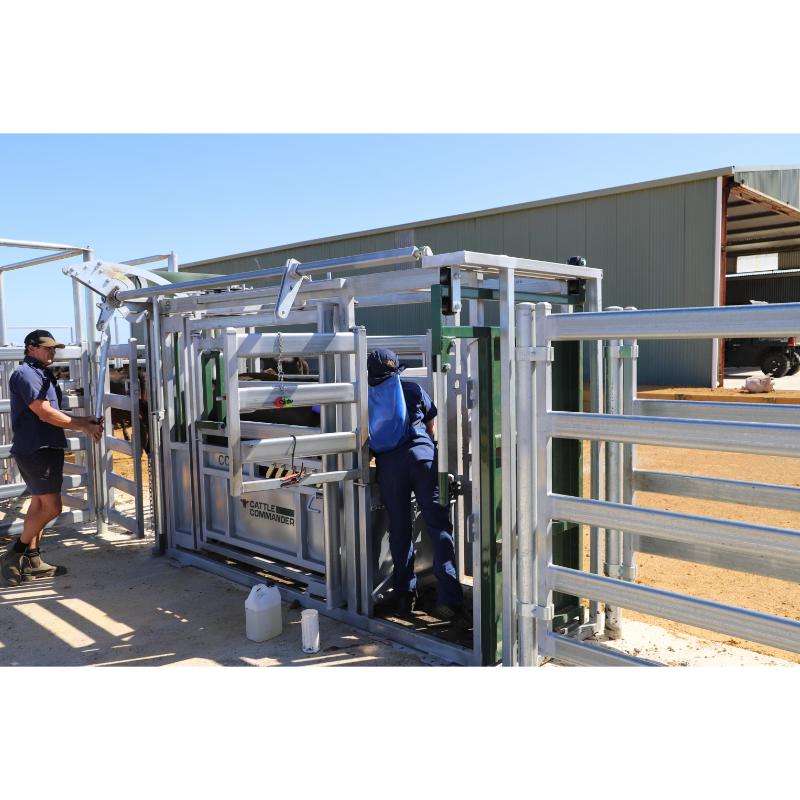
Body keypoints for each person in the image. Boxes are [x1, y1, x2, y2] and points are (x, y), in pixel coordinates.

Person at [367, 348, 468, 624]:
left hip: (390, 467)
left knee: (399, 529)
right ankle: (449, 599)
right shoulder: (413, 389)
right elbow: (432, 427)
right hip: (423, 460)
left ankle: (404, 596)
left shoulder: (367, 399)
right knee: (438, 527)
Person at [0, 330, 103, 587]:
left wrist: (84, 419)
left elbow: (53, 411)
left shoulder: (41, 374)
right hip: (37, 449)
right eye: (47, 348)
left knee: (38, 504)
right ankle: (13, 555)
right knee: (53, 508)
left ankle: (33, 560)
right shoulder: (26, 374)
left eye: (53, 348)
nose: (52, 352)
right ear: (30, 348)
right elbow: (44, 412)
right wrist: (83, 426)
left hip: (43, 447)